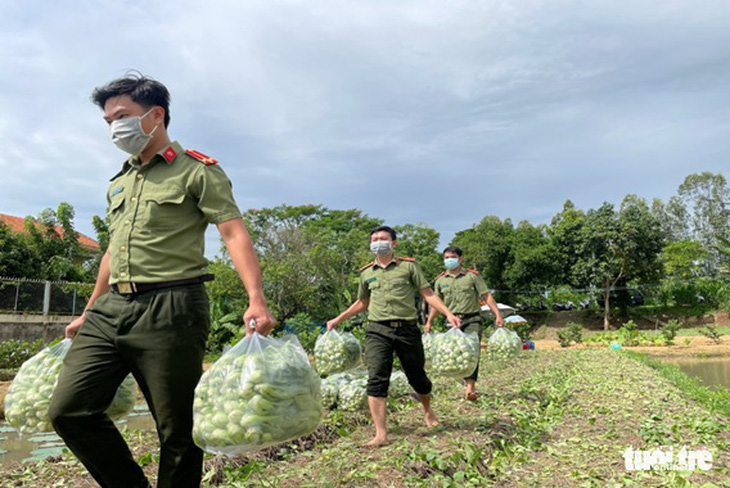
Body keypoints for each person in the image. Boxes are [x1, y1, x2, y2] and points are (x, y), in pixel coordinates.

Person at [48, 73, 275, 488]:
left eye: (122, 116)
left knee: (178, 431)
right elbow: (112, 251)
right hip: (111, 309)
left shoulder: (196, 171)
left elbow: (232, 232)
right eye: (107, 121)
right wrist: (89, 309)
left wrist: (255, 299)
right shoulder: (120, 182)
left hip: (171, 307)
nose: (115, 127)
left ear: (156, 115)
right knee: (68, 411)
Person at [326, 226, 462, 447]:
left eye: (382, 238)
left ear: (394, 243)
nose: (377, 242)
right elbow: (362, 302)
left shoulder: (408, 267)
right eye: (374, 239)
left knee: (417, 376)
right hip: (377, 330)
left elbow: (427, 293)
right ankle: (381, 433)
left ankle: (427, 410)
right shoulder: (367, 273)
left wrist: (448, 313)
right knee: (377, 377)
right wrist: (338, 319)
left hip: (407, 329)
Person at [425, 246, 504, 401]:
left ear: (460, 259)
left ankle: (470, 387)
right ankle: (463, 378)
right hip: (452, 322)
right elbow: (435, 304)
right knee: (455, 353)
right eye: (446, 257)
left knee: (472, 350)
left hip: (472, 318)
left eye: (452, 257)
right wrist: (429, 322)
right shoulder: (440, 281)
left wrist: (498, 314)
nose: (449, 260)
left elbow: (486, 295)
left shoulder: (472, 277)